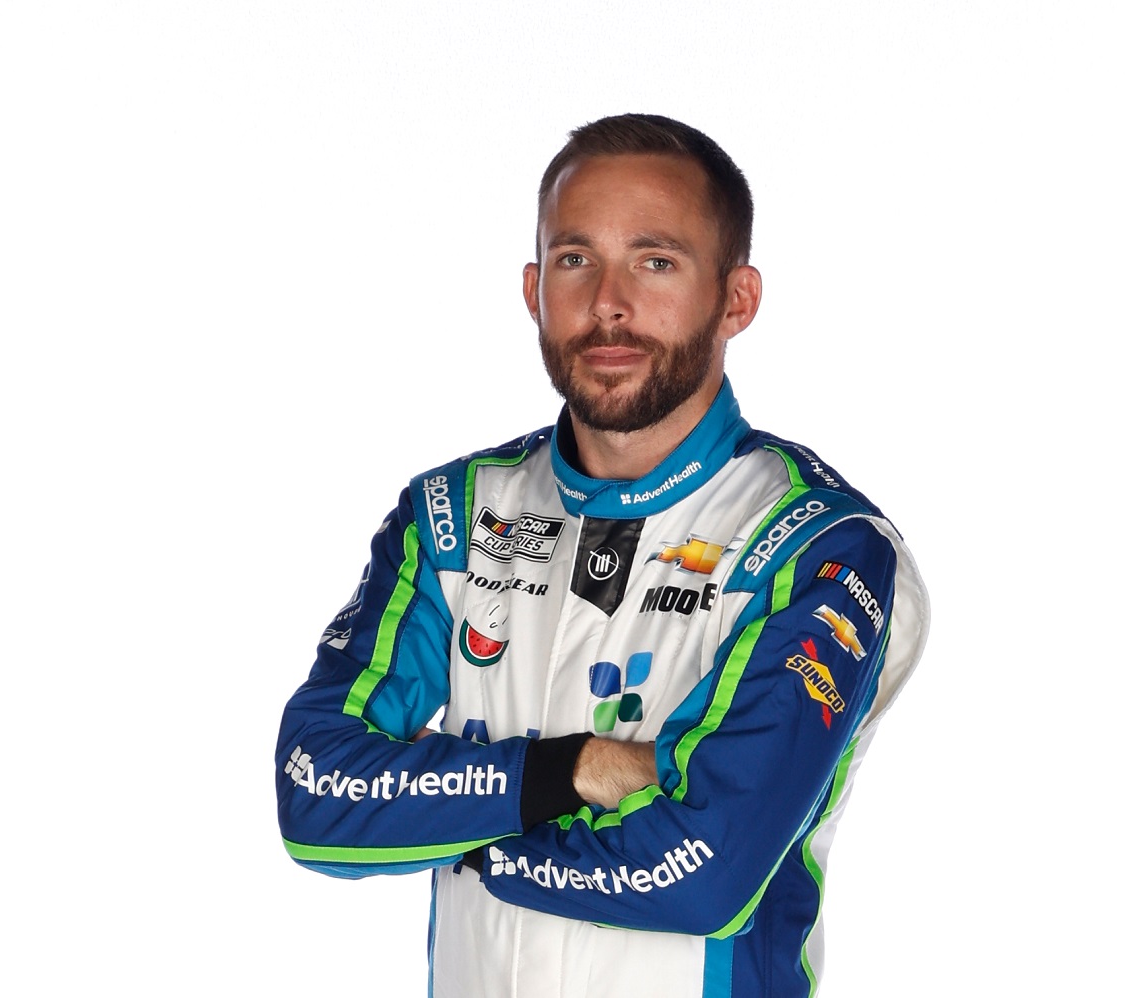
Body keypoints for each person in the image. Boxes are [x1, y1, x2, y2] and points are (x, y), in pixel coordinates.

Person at [275, 112, 930, 998]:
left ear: (736, 299)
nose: (608, 303)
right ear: (533, 288)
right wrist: (572, 769)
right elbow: (318, 799)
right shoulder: (454, 516)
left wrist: (455, 825)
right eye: (576, 260)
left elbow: (703, 871)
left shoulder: (818, 547)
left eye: (656, 262)